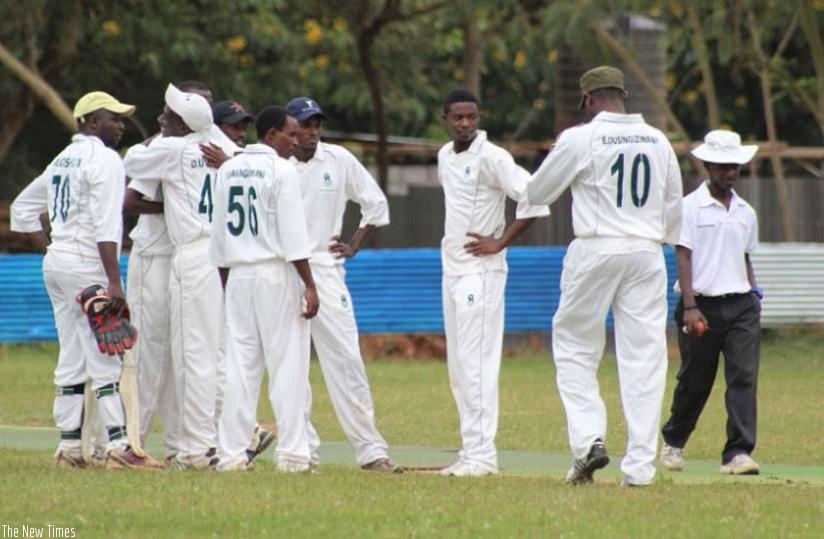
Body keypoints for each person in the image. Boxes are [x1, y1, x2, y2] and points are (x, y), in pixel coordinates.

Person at [527, 66, 683, 487]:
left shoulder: (582, 138)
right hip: (648, 252)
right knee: (645, 360)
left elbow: (536, 192)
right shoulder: (659, 140)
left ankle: (588, 443)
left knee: (576, 347)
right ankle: (639, 471)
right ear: (624, 96)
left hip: (596, 247)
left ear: (589, 100)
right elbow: (673, 211)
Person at [10, 91, 158, 469]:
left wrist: (51, 250)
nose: (121, 126)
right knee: (108, 352)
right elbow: (108, 226)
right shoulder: (105, 159)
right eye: (115, 119)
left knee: (72, 355)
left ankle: (70, 449)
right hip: (88, 266)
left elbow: (23, 210)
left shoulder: (62, 159)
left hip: (58, 265)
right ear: (92, 122)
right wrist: (114, 280)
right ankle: (118, 447)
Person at [437, 88, 549, 477]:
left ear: (479, 117)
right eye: (458, 117)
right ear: (446, 119)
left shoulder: (494, 157)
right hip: (450, 271)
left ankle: (483, 456)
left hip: (481, 274)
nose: (465, 124)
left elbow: (536, 197)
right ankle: (471, 452)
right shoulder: (443, 156)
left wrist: (500, 241)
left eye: (471, 117)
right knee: (459, 369)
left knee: (477, 365)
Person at [285, 96, 399, 473]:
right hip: (282, 271)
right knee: (293, 365)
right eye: (305, 125)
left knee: (346, 360)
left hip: (325, 267)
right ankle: (303, 454)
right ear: (290, 129)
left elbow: (375, 203)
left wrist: (354, 243)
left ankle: (371, 451)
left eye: (317, 124)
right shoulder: (275, 163)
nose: (313, 131)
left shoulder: (338, 159)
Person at [210, 105, 319, 472]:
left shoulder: (227, 168)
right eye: (290, 134)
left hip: (238, 274)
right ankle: (293, 455)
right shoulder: (282, 169)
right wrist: (309, 284)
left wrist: (228, 286)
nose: (296, 140)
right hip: (275, 273)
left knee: (240, 368)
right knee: (287, 365)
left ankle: (230, 456)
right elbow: (293, 235)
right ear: (271, 135)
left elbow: (219, 235)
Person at [123, 83, 225, 470]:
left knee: (190, 356)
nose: (163, 118)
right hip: (219, 256)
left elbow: (131, 161)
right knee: (211, 353)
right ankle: (202, 443)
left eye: (170, 115)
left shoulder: (174, 148)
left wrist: (159, 140)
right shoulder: (223, 150)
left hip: (191, 256)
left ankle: (196, 449)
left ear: (182, 125)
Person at [660, 130, 762, 475]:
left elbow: (745, 256)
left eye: (733, 166)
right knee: (696, 380)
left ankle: (737, 452)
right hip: (700, 306)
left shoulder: (747, 212)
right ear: (707, 165)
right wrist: (690, 306)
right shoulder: (688, 207)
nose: (728, 173)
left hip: (741, 306)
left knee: (744, 376)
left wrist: (754, 290)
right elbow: (683, 256)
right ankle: (674, 441)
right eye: (721, 166)